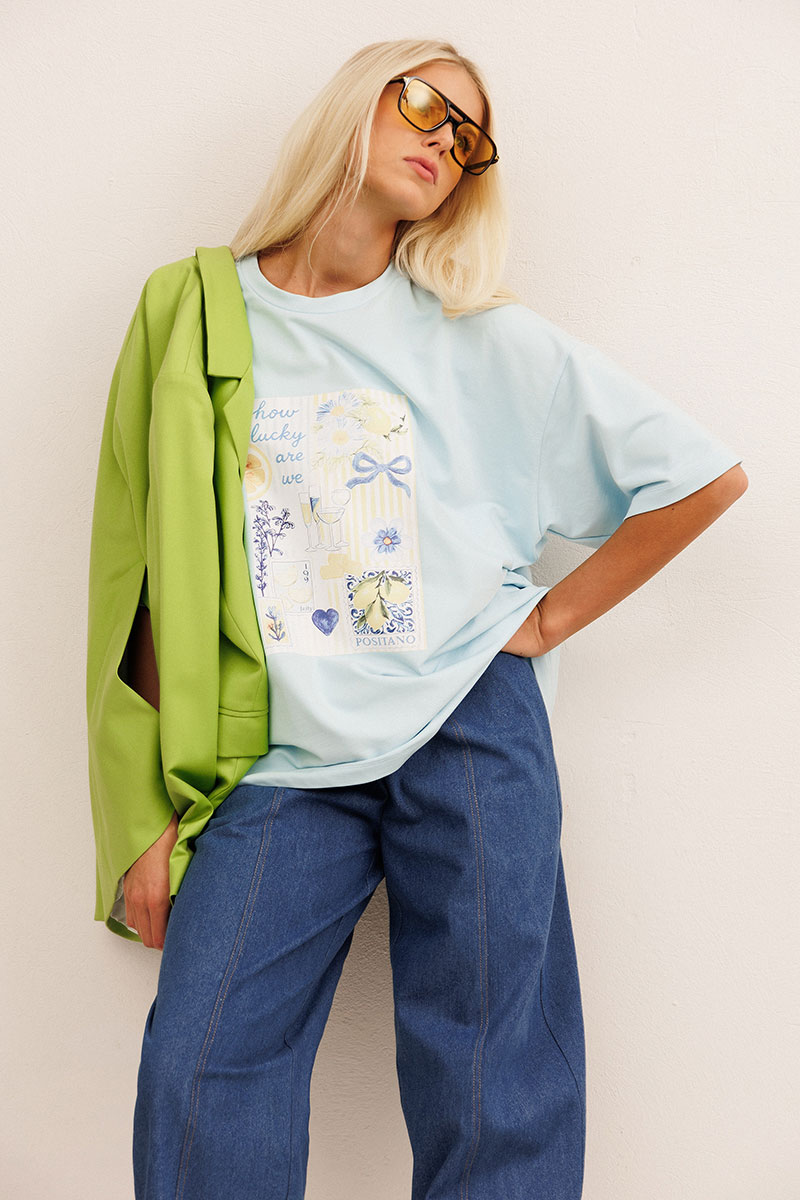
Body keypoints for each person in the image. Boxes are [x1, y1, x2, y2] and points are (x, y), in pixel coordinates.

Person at [87, 37, 748, 1200]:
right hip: (278, 755)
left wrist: (544, 624)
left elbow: (697, 478)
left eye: (470, 138)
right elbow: (142, 574)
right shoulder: (192, 312)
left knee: (493, 1083)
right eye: (426, 106)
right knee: (202, 1070)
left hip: (468, 726)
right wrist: (142, 819)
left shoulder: (478, 333)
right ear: (357, 101)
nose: (446, 140)